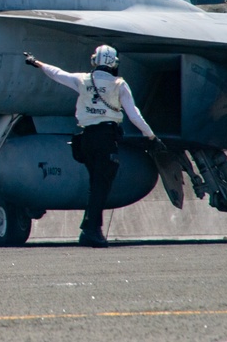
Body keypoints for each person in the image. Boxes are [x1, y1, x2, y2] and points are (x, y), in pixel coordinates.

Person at [24, 45, 164, 248]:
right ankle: (90, 231)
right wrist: (151, 137)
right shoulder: (119, 85)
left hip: (86, 139)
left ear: (94, 61)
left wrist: (37, 63)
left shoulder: (83, 80)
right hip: (106, 139)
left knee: (95, 186)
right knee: (101, 187)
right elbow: (134, 115)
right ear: (114, 63)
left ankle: (91, 228)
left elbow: (57, 74)